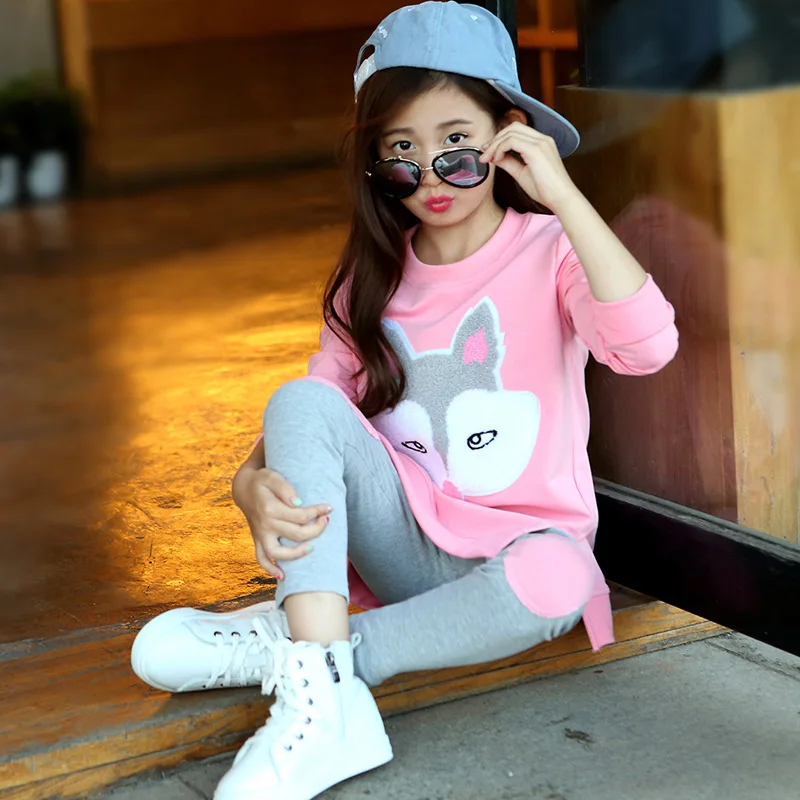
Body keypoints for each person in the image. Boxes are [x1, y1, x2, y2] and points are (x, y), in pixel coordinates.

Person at [130, 3, 679, 798]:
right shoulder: (373, 277)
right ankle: (322, 703)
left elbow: (648, 347)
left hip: (513, 562)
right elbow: (317, 407)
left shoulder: (553, 251)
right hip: (401, 548)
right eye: (401, 153)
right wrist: (247, 480)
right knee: (298, 397)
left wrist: (563, 196)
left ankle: (308, 653)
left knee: (563, 576)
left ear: (507, 136)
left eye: (457, 145)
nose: (431, 175)